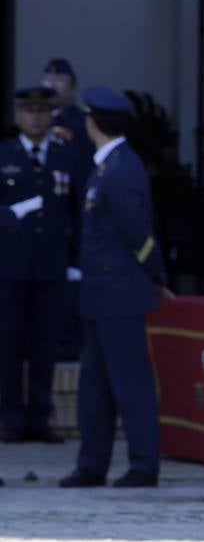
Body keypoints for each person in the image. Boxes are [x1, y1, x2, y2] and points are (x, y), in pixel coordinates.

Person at [59, 87, 172, 489]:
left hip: (120, 292)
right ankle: (92, 463)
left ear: (93, 123)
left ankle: (144, 465)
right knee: (95, 385)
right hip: (100, 292)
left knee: (130, 381)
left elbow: (137, 233)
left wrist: (157, 276)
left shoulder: (122, 168)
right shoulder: (108, 166)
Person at [0, 87, 82, 443]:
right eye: (29, 110)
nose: (35, 117)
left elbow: (79, 212)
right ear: (18, 115)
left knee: (44, 344)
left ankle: (40, 415)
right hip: (10, 266)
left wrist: (78, 261)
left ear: (52, 115)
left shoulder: (67, 156)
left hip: (51, 266)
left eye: (42, 110)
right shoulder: (4, 154)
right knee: (9, 344)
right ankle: (11, 417)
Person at [41, 57, 94, 362]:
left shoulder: (78, 123)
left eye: (59, 78)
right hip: (43, 224)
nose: (51, 82)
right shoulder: (39, 121)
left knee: (67, 310)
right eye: (47, 76)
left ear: (72, 87)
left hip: (70, 224)